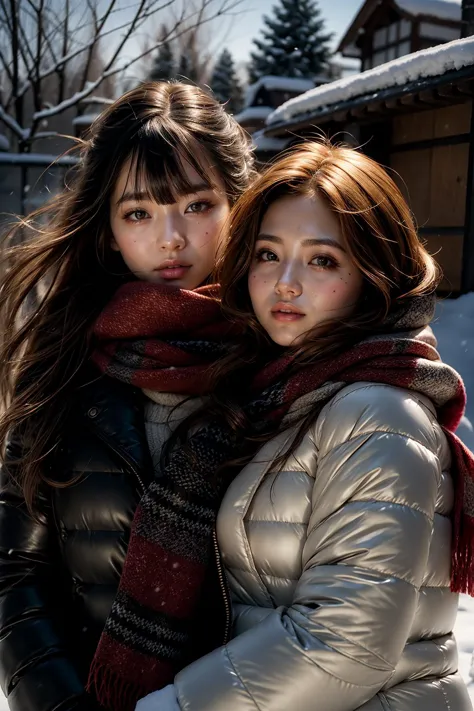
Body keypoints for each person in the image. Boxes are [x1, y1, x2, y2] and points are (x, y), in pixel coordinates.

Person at [132, 141, 473, 711]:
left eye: (321, 260)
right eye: (268, 254)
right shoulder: (277, 396)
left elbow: (345, 641)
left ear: (374, 273)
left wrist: (175, 706)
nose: (285, 282)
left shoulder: (377, 414)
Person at [0, 81, 254, 711]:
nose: (171, 238)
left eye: (196, 205)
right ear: (109, 230)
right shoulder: (64, 367)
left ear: (239, 205)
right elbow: (13, 572)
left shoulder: (291, 363)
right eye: (138, 212)